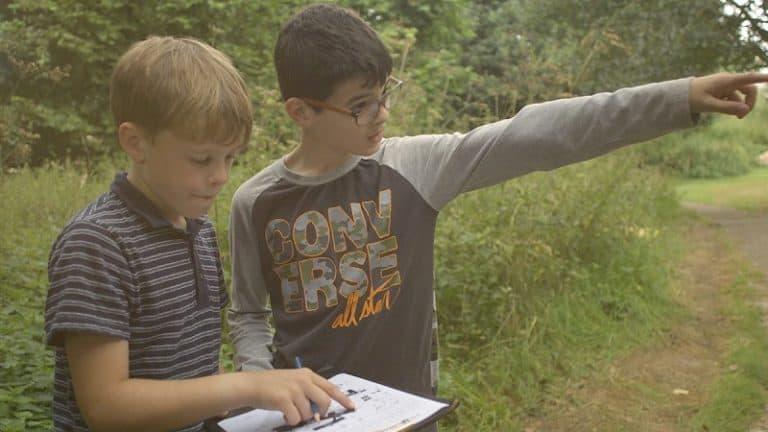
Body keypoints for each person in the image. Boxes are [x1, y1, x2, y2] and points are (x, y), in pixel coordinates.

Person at [227, 1, 767, 419]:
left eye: (384, 92)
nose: (382, 113)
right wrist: (259, 387)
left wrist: (680, 97)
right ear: (301, 111)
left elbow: (542, 133)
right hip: (307, 419)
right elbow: (249, 314)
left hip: (407, 412)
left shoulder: (413, 168)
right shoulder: (255, 201)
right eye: (360, 105)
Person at [44, 35, 353, 432]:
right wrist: (242, 386)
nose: (220, 176)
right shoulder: (98, 244)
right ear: (135, 142)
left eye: (230, 158)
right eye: (201, 159)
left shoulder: (197, 229)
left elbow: (193, 366)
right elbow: (105, 406)